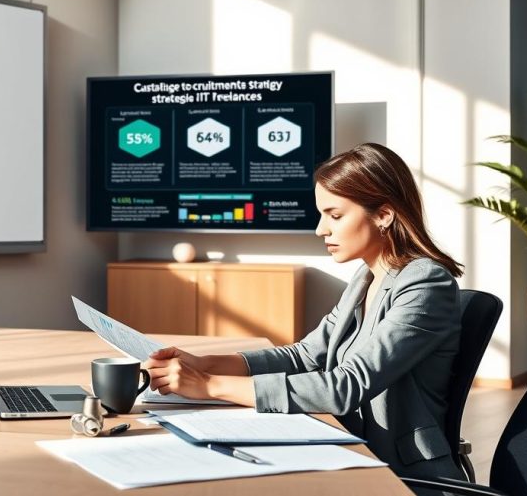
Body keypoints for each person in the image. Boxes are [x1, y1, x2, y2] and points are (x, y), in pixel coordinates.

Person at [143, 143, 466, 481]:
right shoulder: (366, 276)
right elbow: (305, 356)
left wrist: (209, 385)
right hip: (349, 446)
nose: (320, 229)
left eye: (335, 215)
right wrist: (204, 363)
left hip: (401, 475)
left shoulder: (426, 284)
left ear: (384, 215)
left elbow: (346, 386)